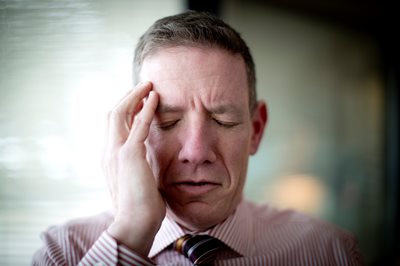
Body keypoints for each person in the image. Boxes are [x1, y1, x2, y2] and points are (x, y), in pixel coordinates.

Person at [32, 11, 362, 265]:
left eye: (223, 120)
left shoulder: (329, 252)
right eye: (169, 121)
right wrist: (132, 233)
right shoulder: (64, 252)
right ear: (135, 131)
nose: (196, 152)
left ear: (256, 130)